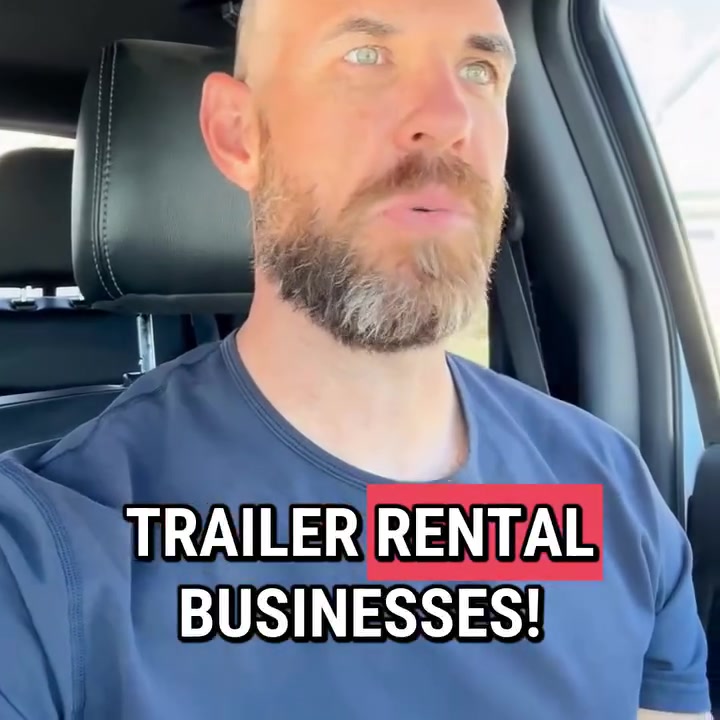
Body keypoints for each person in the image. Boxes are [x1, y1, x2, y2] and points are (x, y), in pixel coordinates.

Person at [0, 0, 711, 717]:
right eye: (365, 56)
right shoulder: (46, 555)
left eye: (478, 69)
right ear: (238, 134)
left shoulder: (611, 490)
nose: (450, 117)